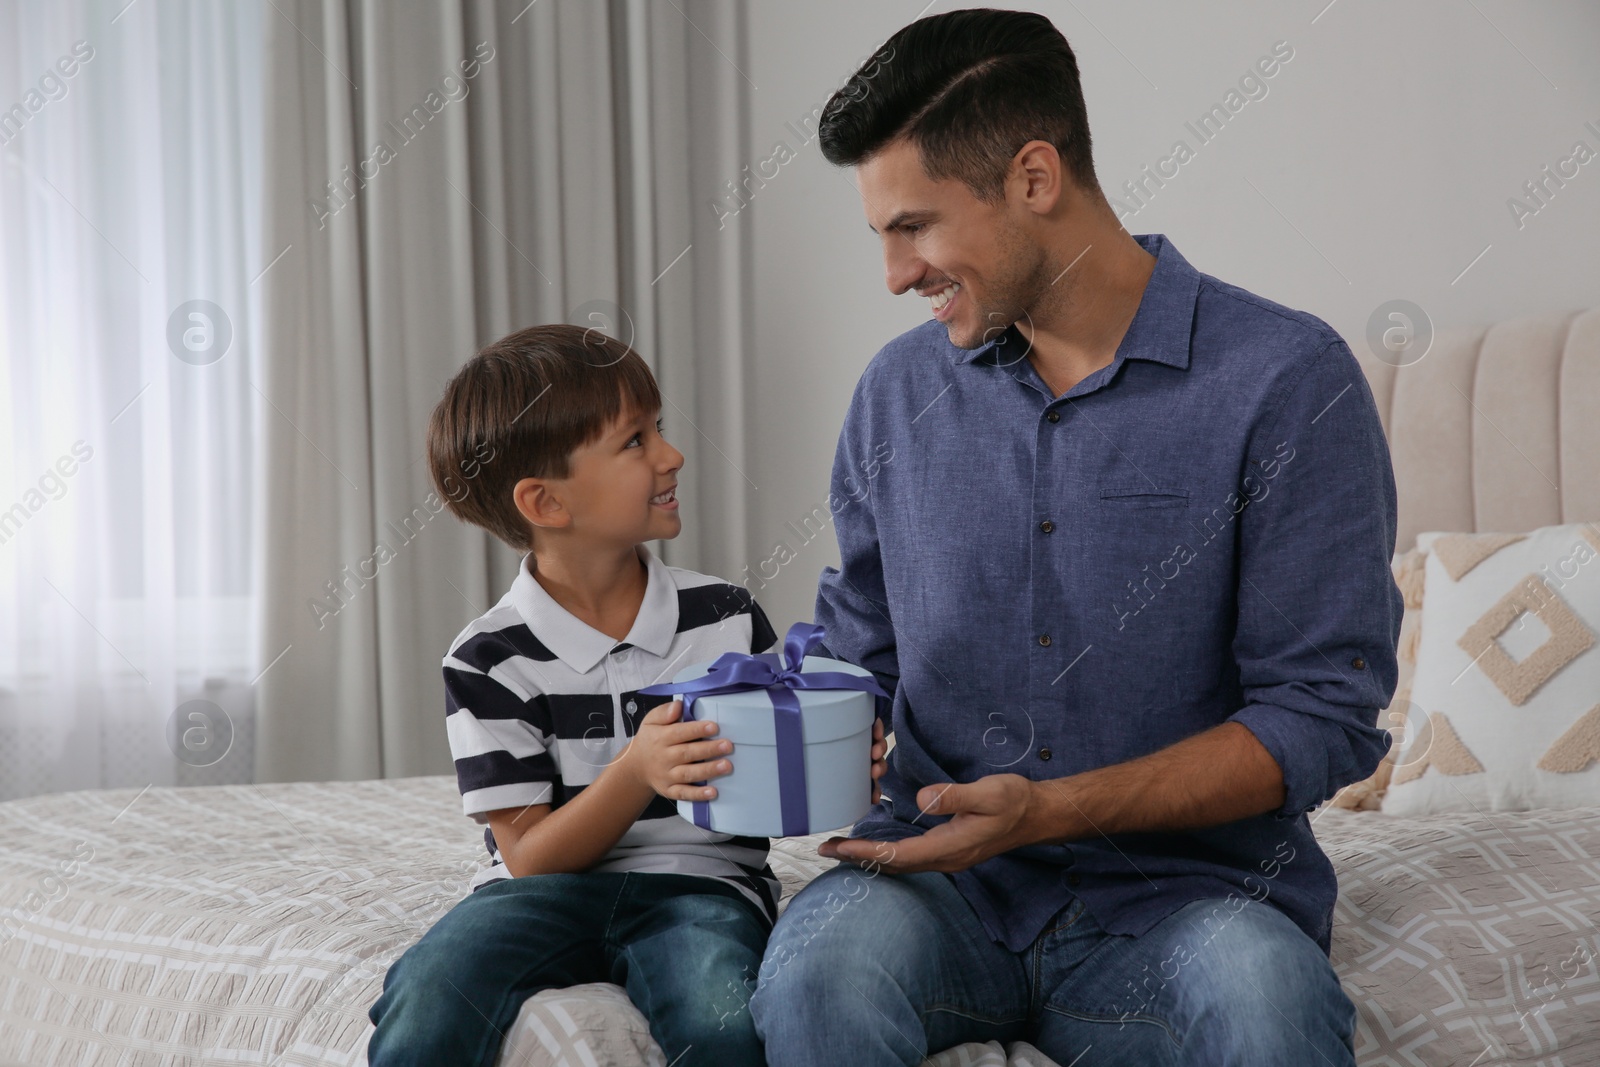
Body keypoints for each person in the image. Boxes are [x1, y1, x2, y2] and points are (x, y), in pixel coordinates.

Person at [749, 8, 1402, 1066]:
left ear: (1034, 177)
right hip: (935, 885)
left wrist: (1046, 809)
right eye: (880, 233)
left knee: (1269, 1009)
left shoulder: (1284, 381)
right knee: (813, 978)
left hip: (1190, 898)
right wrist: (756, 729)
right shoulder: (894, 394)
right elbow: (857, 652)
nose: (893, 272)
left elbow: (1319, 714)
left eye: (912, 225)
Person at [368, 324, 885, 1066]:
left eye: (660, 429)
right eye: (635, 441)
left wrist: (840, 761)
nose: (671, 455)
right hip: (538, 895)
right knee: (426, 1000)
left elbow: (779, 784)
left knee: (724, 1022)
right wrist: (636, 771)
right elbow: (532, 857)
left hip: (702, 889)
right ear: (545, 502)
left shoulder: (726, 616)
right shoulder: (487, 660)